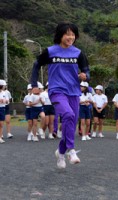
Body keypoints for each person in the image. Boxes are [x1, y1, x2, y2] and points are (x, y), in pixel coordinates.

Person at [30, 22, 90, 169]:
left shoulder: (78, 53)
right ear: (60, 35)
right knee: (68, 115)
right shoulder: (50, 51)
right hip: (56, 91)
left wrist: (84, 76)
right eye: (67, 34)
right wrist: (34, 85)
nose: (70, 37)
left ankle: (60, 153)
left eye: (73, 34)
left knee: (71, 123)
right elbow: (36, 65)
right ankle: (71, 150)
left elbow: (87, 72)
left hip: (74, 92)